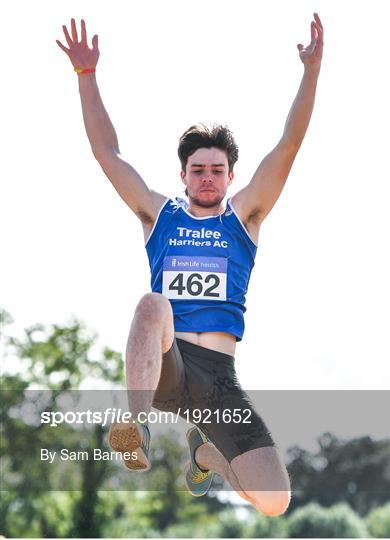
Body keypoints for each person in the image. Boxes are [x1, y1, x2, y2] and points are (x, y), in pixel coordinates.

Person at [57, 13, 323, 516]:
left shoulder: (245, 216)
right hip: (168, 364)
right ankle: (136, 429)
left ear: (229, 175)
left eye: (216, 170)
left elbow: (289, 145)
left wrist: (311, 71)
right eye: (197, 169)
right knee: (153, 302)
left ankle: (205, 456)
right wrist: (86, 78)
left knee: (275, 502)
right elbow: (106, 151)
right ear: (182, 174)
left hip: (220, 380)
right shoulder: (160, 214)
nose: (206, 178)